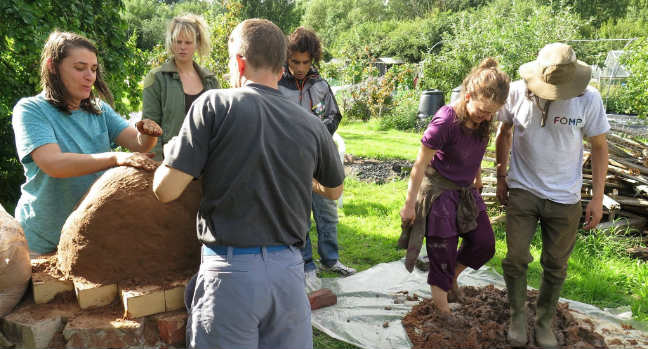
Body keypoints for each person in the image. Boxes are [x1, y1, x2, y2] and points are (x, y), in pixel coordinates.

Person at [152, 19, 345, 349]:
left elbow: (166, 190)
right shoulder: (311, 124)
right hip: (289, 274)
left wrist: (172, 153)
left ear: (239, 61)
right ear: (282, 65)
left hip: (230, 274)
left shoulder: (214, 105)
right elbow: (334, 190)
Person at [495, 43, 609, 348]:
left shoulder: (589, 98)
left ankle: (544, 320)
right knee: (516, 258)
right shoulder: (518, 92)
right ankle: (518, 315)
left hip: (565, 198)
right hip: (523, 190)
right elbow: (503, 133)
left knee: (556, 264)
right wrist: (501, 175)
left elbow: (599, 146)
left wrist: (597, 198)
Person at [12, 31, 162, 255]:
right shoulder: (31, 109)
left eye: (93, 69)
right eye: (80, 68)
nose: (90, 76)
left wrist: (149, 134)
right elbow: (53, 163)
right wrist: (114, 158)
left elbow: (138, 144)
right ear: (53, 66)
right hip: (42, 242)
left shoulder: (99, 109)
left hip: (90, 239)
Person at [399, 58, 510, 315]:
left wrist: (478, 177)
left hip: (465, 191)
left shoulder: (483, 120)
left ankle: (451, 279)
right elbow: (419, 165)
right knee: (442, 254)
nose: (487, 117)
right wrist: (409, 205)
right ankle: (443, 313)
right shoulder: (446, 121)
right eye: (483, 110)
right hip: (438, 193)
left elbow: (475, 151)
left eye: (492, 112)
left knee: (484, 243)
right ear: (468, 96)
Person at [278, 27, 354, 280]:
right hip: (290, 160)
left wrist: (320, 135)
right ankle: (306, 264)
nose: (300, 68)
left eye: (305, 62)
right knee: (300, 214)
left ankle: (331, 260)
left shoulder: (321, 84)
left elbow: (335, 115)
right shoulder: (277, 85)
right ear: (287, 59)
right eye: (294, 62)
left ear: (313, 60)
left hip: (321, 157)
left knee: (327, 211)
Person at [142, 14, 219, 161]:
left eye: (188, 42)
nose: (182, 47)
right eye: (178, 41)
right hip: (171, 164)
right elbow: (150, 127)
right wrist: (157, 167)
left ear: (197, 44)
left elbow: (220, 128)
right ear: (171, 43)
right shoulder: (157, 78)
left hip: (207, 167)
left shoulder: (211, 81)